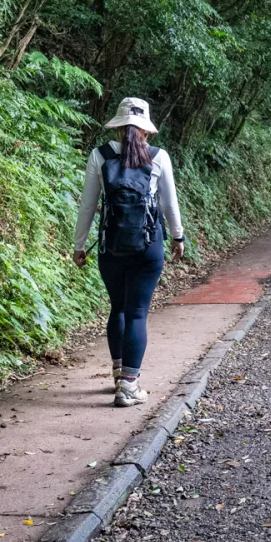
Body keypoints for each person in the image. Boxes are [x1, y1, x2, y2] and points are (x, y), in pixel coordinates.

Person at [73, 97, 185, 407]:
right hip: (148, 247)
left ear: (119, 127)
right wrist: (178, 236)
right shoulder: (158, 157)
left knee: (118, 308)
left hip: (111, 246)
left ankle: (118, 374)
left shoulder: (100, 155)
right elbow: (169, 204)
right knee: (137, 312)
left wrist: (79, 245)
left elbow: (87, 205)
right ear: (146, 130)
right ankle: (130, 386)